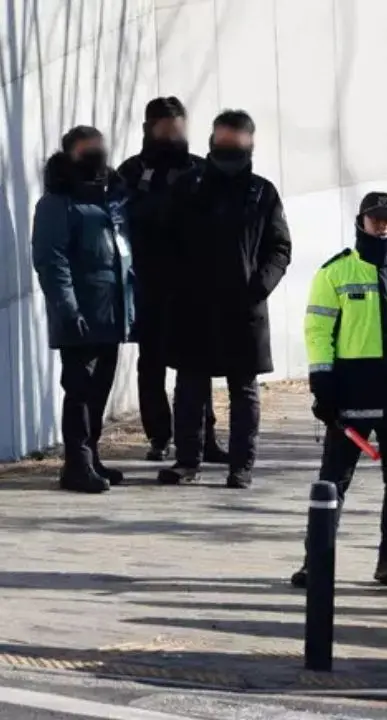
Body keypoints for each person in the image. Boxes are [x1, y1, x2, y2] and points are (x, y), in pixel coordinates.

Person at [290, 192, 387, 589]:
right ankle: (315, 561)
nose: (383, 225)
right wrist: (323, 384)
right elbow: (318, 332)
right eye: (375, 219)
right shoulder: (335, 273)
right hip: (351, 393)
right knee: (333, 480)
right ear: (361, 222)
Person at [157, 109, 292, 488]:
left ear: (250, 144)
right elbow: (163, 240)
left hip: (243, 307)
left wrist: (259, 286)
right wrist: (175, 284)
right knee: (189, 386)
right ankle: (187, 461)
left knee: (244, 391)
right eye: (223, 139)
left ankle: (241, 466)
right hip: (193, 306)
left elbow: (279, 247)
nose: (228, 147)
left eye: (237, 141)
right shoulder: (189, 186)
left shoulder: (262, 192)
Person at [118, 97, 228, 463]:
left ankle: (203, 437)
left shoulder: (201, 169)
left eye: (178, 128)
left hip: (193, 284)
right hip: (147, 283)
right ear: (149, 129)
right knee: (151, 363)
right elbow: (123, 220)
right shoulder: (131, 172)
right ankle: (159, 436)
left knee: (196, 364)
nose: (172, 135)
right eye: (165, 128)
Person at [32, 126, 134, 493]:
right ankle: (76, 465)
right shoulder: (57, 202)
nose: (96, 154)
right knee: (79, 390)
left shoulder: (109, 196)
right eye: (87, 149)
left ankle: (91, 456)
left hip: (110, 313)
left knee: (99, 390)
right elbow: (50, 261)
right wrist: (68, 308)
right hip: (80, 314)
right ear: (70, 153)